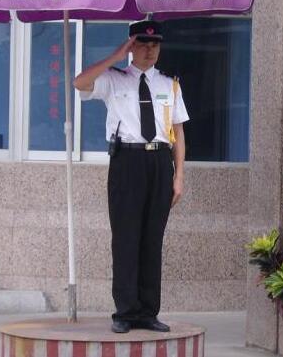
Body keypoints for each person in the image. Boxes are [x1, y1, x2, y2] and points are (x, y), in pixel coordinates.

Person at [73, 20, 189, 333]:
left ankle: (148, 312)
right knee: (125, 238)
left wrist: (179, 176)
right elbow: (79, 83)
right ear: (131, 46)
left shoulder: (169, 84)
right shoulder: (113, 79)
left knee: (152, 239)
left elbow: (178, 132)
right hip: (127, 161)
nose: (149, 50)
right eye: (142, 44)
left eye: (155, 45)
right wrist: (115, 56)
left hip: (159, 162)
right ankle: (125, 312)